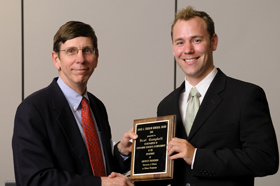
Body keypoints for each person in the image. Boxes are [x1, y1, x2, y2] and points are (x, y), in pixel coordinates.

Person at [135, 6, 278, 186]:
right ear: (173, 48)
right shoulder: (166, 105)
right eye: (180, 42)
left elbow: (266, 159)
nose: (187, 50)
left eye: (196, 40)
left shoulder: (245, 96)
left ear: (214, 41)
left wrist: (197, 156)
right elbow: (165, 170)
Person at [12, 21, 137, 186]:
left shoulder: (97, 106)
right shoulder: (33, 110)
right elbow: (35, 180)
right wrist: (100, 184)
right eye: (71, 51)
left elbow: (97, 170)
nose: (81, 59)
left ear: (96, 58)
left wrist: (121, 151)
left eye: (87, 51)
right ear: (56, 59)